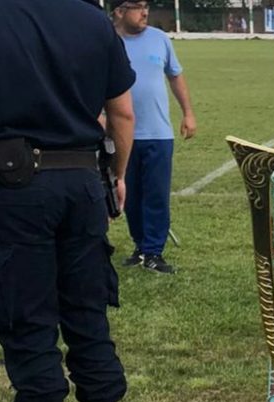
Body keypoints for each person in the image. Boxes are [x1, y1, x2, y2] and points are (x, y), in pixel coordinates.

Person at [0, 0, 134, 402]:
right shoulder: (92, 18)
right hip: (82, 179)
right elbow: (121, 111)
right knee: (86, 310)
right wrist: (116, 177)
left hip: (15, 185)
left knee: (26, 316)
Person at [112, 0, 196, 275]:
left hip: (158, 133)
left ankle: (154, 252)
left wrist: (188, 113)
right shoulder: (109, 41)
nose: (144, 12)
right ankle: (141, 247)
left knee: (156, 195)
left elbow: (175, 76)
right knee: (130, 195)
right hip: (122, 135)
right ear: (119, 11)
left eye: (145, 6)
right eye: (137, 6)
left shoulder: (160, 40)